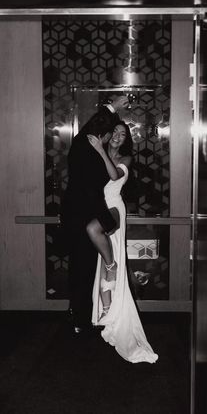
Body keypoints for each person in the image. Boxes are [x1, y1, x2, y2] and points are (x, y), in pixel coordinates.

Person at [87, 121, 158, 364]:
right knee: (105, 255)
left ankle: (111, 265)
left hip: (115, 208)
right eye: (114, 133)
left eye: (122, 133)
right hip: (99, 207)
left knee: (94, 230)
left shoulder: (126, 159)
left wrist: (100, 152)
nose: (118, 136)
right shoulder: (97, 157)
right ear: (108, 136)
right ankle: (109, 312)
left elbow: (114, 175)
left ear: (126, 138)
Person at [60, 95, 129, 334]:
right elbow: (91, 129)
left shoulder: (101, 156)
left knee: (86, 266)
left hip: (91, 215)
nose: (111, 136)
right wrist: (112, 108)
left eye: (116, 134)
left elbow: (113, 179)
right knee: (81, 266)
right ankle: (80, 317)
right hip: (80, 216)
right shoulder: (83, 148)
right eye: (108, 132)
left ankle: (84, 314)